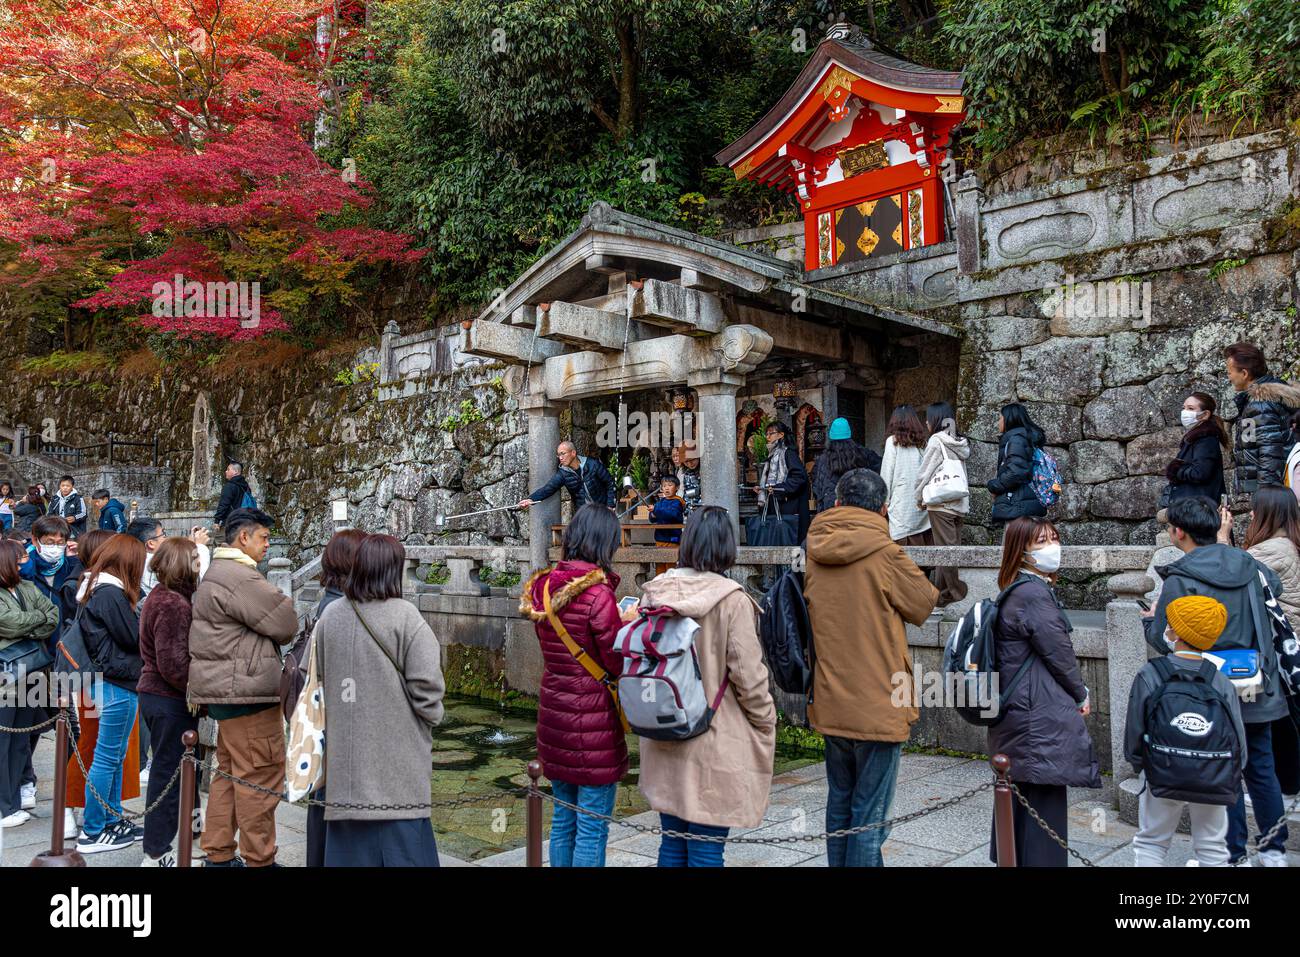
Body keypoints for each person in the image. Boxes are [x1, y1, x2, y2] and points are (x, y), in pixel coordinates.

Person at [1143, 495, 1290, 866]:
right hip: (1257, 681)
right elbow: (1277, 592)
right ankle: (1273, 852)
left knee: (1224, 769)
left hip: (1209, 691)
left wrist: (1150, 620)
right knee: (1262, 767)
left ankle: (1232, 853)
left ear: (1178, 532)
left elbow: (1166, 638)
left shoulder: (1181, 577)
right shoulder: (1250, 564)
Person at [804, 468, 939, 866]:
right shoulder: (885, 552)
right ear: (883, 509)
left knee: (840, 806)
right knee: (869, 819)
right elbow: (923, 603)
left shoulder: (815, 547)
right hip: (878, 702)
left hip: (830, 698)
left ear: (837, 503)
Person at [637, 505, 776, 866]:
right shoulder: (731, 600)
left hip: (663, 728)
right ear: (727, 546)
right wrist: (765, 721)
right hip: (713, 735)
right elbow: (749, 676)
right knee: (706, 849)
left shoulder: (654, 592)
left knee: (672, 843)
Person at [316, 533, 445, 866]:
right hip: (397, 777)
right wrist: (429, 717)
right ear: (394, 571)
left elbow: (313, 679)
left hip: (344, 775)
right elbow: (428, 691)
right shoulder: (406, 617)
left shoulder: (330, 616)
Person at [188, 508, 299, 867]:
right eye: (263, 537)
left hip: (227, 690)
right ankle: (259, 859)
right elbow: (286, 622)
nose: (268, 544)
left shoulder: (218, 573)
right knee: (260, 775)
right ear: (243, 538)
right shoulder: (240, 578)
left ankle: (218, 854)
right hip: (247, 691)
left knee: (228, 773)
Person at [519, 503, 628, 867]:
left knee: (563, 819)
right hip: (593, 720)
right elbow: (615, 660)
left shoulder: (544, 588)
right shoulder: (598, 595)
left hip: (554, 716)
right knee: (592, 826)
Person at [987, 516, 1100, 866]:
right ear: (1021, 552)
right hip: (1038, 712)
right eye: (1041, 542)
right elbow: (1059, 652)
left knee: (1023, 792)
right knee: (1043, 796)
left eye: (1053, 538)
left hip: (1021, 710)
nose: (1052, 547)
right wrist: (1081, 693)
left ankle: (1015, 857)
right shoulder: (1034, 593)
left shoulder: (1019, 589)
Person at [1125, 595, 1245, 867]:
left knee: (1151, 842)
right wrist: (1233, 771)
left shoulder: (1151, 672)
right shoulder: (1220, 679)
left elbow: (1135, 725)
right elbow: (1237, 731)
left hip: (1163, 770)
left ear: (1177, 632)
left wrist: (1139, 764)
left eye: (1170, 623)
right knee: (1213, 845)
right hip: (1213, 773)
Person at [74, 532, 148, 854]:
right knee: (107, 758)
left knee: (113, 758)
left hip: (112, 682)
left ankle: (110, 820)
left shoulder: (98, 589)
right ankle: (92, 831)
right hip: (117, 683)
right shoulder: (110, 594)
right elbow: (133, 638)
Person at [137, 537, 204, 867]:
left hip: (156, 695)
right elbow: (172, 662)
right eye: (193, 560)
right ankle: (156, 850)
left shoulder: (161, 597)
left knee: (181, 769)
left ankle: (190, 830)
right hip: (168, 698)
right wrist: (199, 691)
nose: (198, 565)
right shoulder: (172, 603)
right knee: (167, 773)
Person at [303, 527, 367, 868]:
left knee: (324, 801)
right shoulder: (337, 609)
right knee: (331, 802)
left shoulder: (331, 600)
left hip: (328, 720)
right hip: (337, 722)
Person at [0, 539, 60, 828]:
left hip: (32, 672)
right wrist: (35, 623)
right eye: (20, 557)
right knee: (4, 739)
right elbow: (10, 622)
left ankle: (15, 798)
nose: (26, 561)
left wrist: (31, 623)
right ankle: (3, 806)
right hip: (5, 678)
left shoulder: (26, 587)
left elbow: (53, 615)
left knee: (21, 739)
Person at [914, 402, 970, 605]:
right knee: (947, 549)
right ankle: (941, 595)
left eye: (928, 418)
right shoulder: (958, 441)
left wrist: (919, 497)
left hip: (941, 503)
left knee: (946, 551)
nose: (927, 422)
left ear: (936, 419)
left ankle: (958, 592)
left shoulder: (937, 442)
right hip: (958, 502)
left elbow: (924, 473)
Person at [1226, 341, 1300, 494]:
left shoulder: (1260, 404)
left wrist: (1266, 496)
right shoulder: (1266, 400)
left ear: (1245, 373)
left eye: (1229, 372)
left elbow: (1269, 453)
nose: (1229, 378)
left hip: (1271, 493)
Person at [1164, 392, 1229, 505]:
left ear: (1205, 414)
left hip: (1198, 508)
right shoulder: (1196, 437)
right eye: (1184, 408)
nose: (1184, 412)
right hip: (1193, 505)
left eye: (1191, 408)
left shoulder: (1206, 438)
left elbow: (1200, 472)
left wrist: (1176, 470)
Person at [988, 403, 1048, 523]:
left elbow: (1016, 472)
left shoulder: (1017, 439)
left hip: (1017, 505)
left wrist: (994, 486)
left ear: (1009, 419)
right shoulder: (1026, 438)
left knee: (1015, 541)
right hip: (1027, 501)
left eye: (1000, 418)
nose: (999, 422)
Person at [517, 441, 616, 512]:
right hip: (584, 514)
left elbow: (610, 483)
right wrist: (530, 500)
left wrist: (610, 505)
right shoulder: (563, 474)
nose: (560, 458)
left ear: (573, 453)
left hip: (603, 510)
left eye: (563, 454)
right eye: (558, 455)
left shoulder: (593, 465)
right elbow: (548, 489)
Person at [755, 420, 810, 542]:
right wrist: (762, 489)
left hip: (788, 505)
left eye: (771, 433)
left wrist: (779, 488)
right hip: (776, 505)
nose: (767, 437)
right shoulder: (772, 455)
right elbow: (769, 482)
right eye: (766, 434)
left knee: (788, 539)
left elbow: (799, 477)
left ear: (781, 435)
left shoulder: (788, 454)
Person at [131, 516, 210, 600]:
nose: (167, 538)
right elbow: (198, 578)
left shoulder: (136, 559)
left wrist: (189, 545)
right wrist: (200, 547)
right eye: (163, 535)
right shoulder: (155, 563)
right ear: (151, 543)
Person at [810, 417, 877, 513]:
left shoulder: (822, 459)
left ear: (831, 436)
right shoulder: (863, 453)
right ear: (849, 434)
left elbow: (816, 483)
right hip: (857, 505)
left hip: (830, 507)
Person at [212, 462, 254, 528]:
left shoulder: (229, 486)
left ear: (236, 472)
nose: (226, 471)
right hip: (245, 522)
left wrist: (217, 520)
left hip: (232, 522)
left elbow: (224, 504)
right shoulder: (246, 486)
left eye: (228, 469)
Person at [648, 475, 686, 545]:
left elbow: (671, 514)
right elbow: (652, 520)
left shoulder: (677, 502)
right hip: (659, 538)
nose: (667, 488)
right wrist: (652, 514)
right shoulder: (660, 502)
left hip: (672, 538)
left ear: (677, 487)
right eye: (664, 486)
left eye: (670, 485)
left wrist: (655, 510)